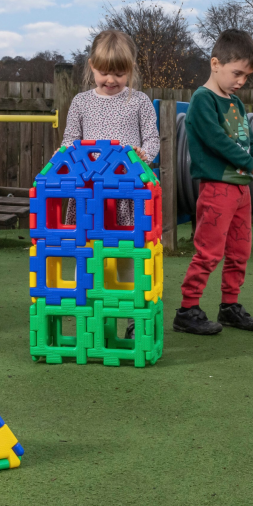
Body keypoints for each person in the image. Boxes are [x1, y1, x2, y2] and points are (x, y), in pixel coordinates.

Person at [174, 29, 253, 336]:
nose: (241, 81)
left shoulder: (236, 103)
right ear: (215, 64)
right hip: (217, 189)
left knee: (240, 252)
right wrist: (251, 164)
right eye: (237, 73)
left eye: (246, 76)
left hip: (240, 191)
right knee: (209, 252)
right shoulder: (202, 100)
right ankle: (187, 310)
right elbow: (217, 141)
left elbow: (250, 144)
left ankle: (229, 307)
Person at [61, 29, 160, 338]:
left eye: (119, 73)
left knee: (126, 255)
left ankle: (131, 320)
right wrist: (66, 157)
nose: (111, 79)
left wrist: (144, 155)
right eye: (104, 72)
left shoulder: (139, 101)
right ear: (92, 66)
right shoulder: (81, 102)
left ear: (130, 69)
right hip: (89, 196)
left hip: (125, 194)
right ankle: (88, 316)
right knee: (86, 254)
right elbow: (69, 141)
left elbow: (152, 140)